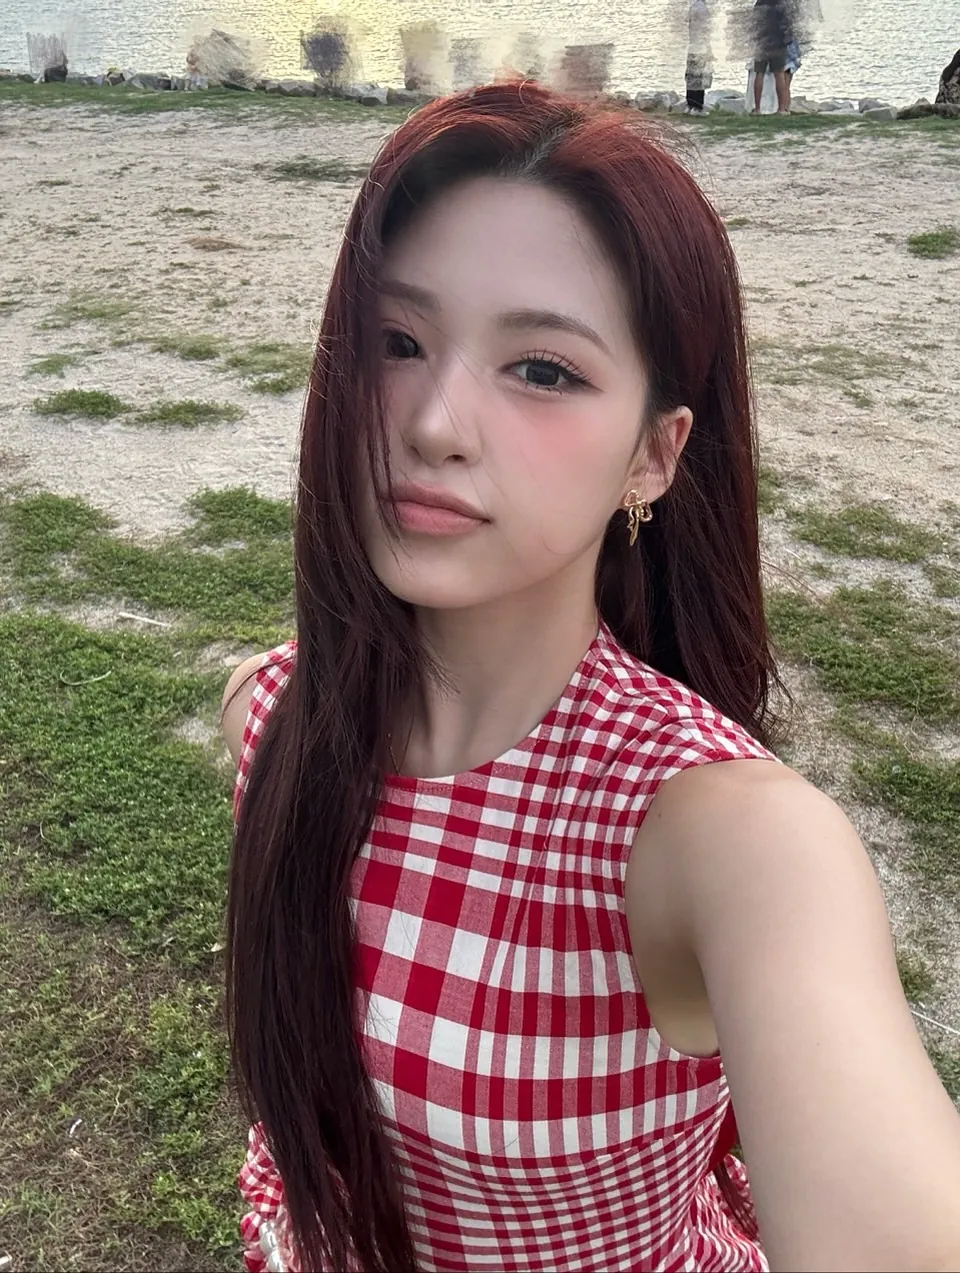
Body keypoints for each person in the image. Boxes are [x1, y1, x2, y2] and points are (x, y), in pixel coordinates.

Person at [220, 82, 960, 1273]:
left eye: (543, 369)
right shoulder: (273, 716)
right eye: (397, 343)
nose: (434, 423)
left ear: (654, 457)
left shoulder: (714, 835)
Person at [751, 0, 793, 114]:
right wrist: (786, 40)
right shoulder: (781, 4)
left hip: (761, 44)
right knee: (779, 74)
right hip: (778, 43)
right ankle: (781, 109)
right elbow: (788, 24)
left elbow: (753, 23)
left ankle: (757, 109)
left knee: (759, 73)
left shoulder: (759, 3)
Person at [684, 0, 714, 114]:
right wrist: (709, 49)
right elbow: (706, 31)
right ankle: (697, 106)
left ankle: (690, 104)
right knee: (699, 77)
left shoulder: (693, 7)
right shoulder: (703, 9)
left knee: (691, 76)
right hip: (701, 49)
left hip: (692, 47)